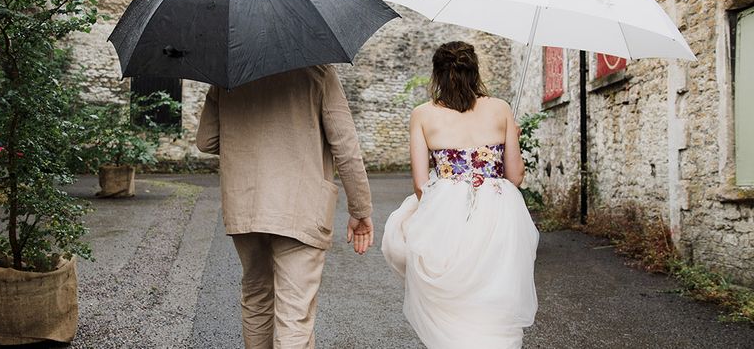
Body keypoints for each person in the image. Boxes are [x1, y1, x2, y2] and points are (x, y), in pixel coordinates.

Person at [196, 64, 373, 349]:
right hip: (301, 206)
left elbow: (206, 141)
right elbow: (345, 146)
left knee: (256, 298)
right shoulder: (318, 71)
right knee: (294, 314)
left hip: (245, 203)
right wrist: (360, 209)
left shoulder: (227, 75)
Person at [382, 41, 539, 348]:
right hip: (498, 208)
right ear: (475, 71)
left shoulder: (423, 114)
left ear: (437, 75)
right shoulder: (501, 108)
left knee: (450, 286)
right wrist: (512, 136)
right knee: (492, 286)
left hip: (445, 207)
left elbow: (419, 182)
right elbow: (516, 177)